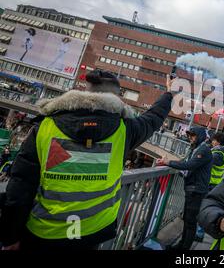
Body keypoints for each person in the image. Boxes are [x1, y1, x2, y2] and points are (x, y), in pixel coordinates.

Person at [0, 70, 174, 251]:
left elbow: (21, 185)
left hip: (46, 232)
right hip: (94, 228)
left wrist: (10, 236)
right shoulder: (126, 130)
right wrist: (169, 94)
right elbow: (153, 117)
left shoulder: (45, 127)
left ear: (85, 91)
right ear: (116, 97)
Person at [156, 127, 212, 250]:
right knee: (187, 220)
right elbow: (188, 166)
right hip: (193, 189)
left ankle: (183, 248)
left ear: (200, 136)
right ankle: (181, 245)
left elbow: (190, 165)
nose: (190, 138)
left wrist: (168, 163)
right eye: (189, 135)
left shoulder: (204, 150)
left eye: (193, 135)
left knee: (190, 222)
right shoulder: (197, 148)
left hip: (196, 190)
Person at [195, 132, 224, 242]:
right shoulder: (220, 152)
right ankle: (199, 232)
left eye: (213, 140)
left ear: (218, 142)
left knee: (203, 209)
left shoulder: (218, 154)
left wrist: (203, 148)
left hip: (210, 185)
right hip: (211, 184)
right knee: (202, 208)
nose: (212, 142)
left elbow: (205, 160)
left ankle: (199, 234)